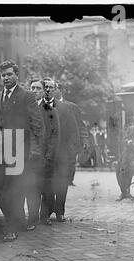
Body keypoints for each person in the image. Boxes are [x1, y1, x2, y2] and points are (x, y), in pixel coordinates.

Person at [0, 61, 44, 241]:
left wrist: (33, 153)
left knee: (15, 190)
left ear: (16, 75)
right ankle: (15, 221)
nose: (6, 78)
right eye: (3, 75)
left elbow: (37, 126)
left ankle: (12, 228)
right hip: (1, 154)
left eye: (9, 74)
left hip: (22, 154)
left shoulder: (27, 96)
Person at [39, 78, 78, 224]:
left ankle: (60, 211)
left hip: (61, 154)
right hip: (45, 154)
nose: (48, 90)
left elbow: (73, 131)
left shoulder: (64, 108)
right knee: (46, 184)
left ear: (55, 89)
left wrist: (70, 153)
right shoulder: (38, 107)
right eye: (46, 87)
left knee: (61, 184)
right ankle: (46, 212)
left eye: (51, 87)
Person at [54, 81, 89, 185]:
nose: (50, 90)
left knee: (70, 161)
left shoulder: (72, 107)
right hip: (54, 141)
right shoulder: (46, 105)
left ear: (61, 90)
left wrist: (85, 139)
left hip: (70, 141)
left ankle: (69, 181)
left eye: (54, 88)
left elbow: (81, 125)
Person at [26, 78, 49, 230]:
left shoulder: (49, 109)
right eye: (32, 88)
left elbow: (54, 134)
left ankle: (43, 216)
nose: (34, 91)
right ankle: (32, 218)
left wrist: (48, 155)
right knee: (31, 187)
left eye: (38, 88)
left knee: (42, 188)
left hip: (43, 154)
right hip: (28, 154)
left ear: (43, 91)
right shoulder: (25, 108)